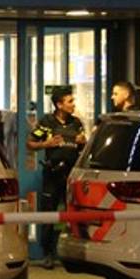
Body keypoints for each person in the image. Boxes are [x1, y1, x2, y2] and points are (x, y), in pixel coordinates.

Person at [26, 86, 85, 269]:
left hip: (70, 176)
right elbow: (30, 143)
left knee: (70, 215)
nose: (73, 105)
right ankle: (47, 253)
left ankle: (69, 254)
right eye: (70, 101)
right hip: (52, 175)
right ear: (59, 105)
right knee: (50, 215)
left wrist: (83, 141)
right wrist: (47, 143)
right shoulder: (47, 122)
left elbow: (83, 146)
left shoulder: (76, 123)